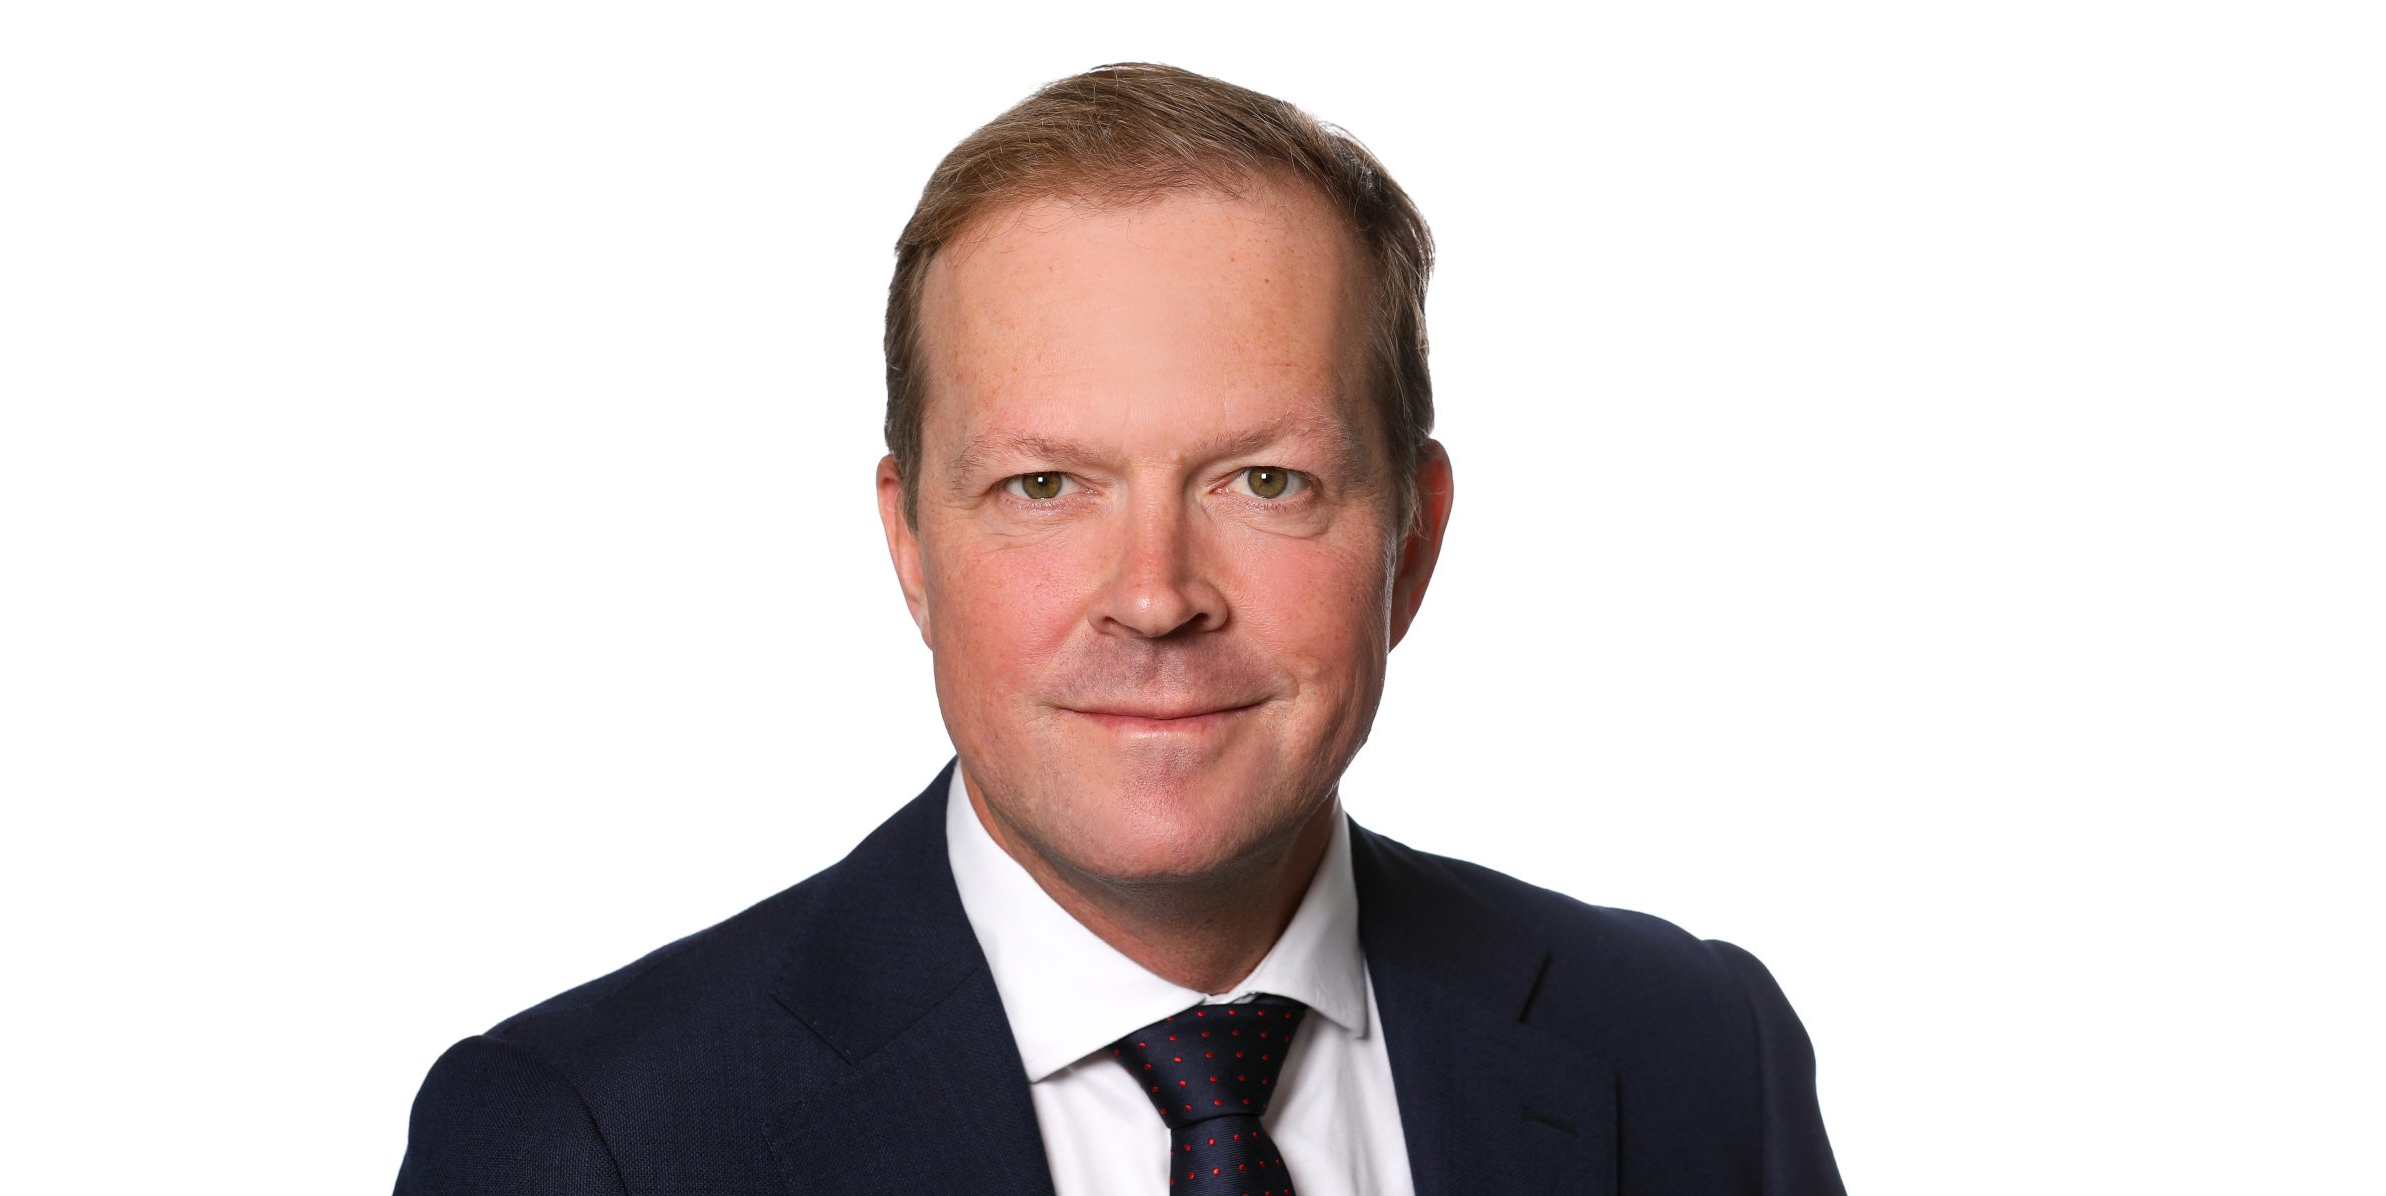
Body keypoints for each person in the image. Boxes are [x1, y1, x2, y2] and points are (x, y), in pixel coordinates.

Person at [394, 62, 1846, 1196]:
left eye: (1263, 481)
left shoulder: (1694, 1055)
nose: (1155, 597)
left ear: (1412, 537)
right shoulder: (588, 1141)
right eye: (1044, 486)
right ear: (910, 543)